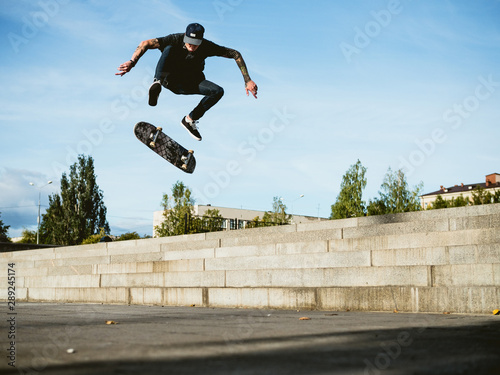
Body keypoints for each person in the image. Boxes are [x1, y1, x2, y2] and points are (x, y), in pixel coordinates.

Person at [116, 23, 258, 141]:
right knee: (169, 48)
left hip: (191, 82)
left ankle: (189, 120)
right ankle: (157, 82)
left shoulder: (207, 46)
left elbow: (235, 54)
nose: (192, 46)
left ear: (201, 41)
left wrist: (247, 80)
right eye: (189, 42)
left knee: (218, 91)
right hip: (170, 80)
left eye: (196, 44)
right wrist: (132, 62)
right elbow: (145, 43)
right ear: (185, 36)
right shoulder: (175, 39)